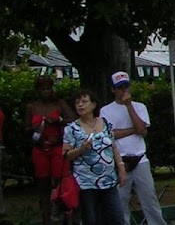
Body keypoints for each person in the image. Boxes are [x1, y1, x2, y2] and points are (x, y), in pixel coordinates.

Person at [99, 71, 166, 225]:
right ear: (113, 89)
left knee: (150, 200)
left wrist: (129, 106)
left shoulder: (139, 107)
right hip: (121, 161)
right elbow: (110, 134)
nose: (124, 91)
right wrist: (132, 130)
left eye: (126, 87)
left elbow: (142, 130)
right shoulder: (106, 110)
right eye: (120, 87)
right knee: (120, 202)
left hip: (140, 158)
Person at [63, 88, 127, 225]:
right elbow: (66, 155)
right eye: (77, 102)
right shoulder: (71, 128)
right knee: (91, 219)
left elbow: (113, 146)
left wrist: (121, 168)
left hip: (108, 180)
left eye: (84, 101)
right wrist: (81, 149)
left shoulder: (105, 123)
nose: (80, 105)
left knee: (117, 217)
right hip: (86, 183)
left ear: (93, 104)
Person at [26, 75, 74, 225]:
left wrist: (58, 121)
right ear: (38, 91)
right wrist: (34, 128)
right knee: (43, 185)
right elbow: (26, 129)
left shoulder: (59, 104)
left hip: (57, 147)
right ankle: (46, 219)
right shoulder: (32, 106)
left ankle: (65, 217)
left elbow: (73, 120)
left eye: (48, 89)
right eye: (42, 89)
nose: (46, 92)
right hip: (40, 149)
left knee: (60, 184)